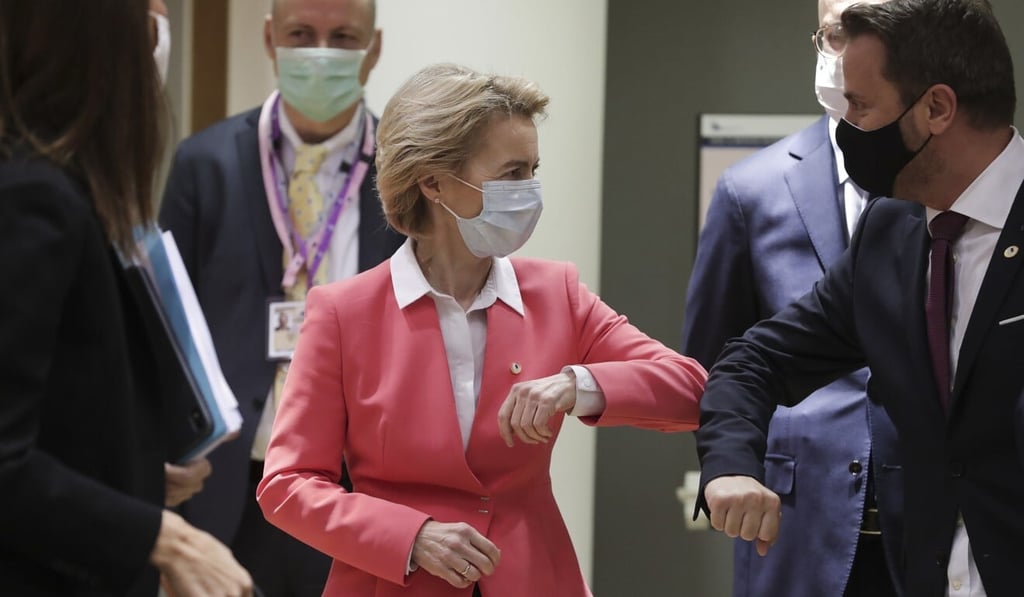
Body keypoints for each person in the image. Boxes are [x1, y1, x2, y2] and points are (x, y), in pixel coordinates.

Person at [256, 63, 707, 596]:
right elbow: (286, 486)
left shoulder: (557, 293)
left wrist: (576, 384)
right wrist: (410, 536)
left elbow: (690, 389)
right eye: (513, 173)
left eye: (534, 170)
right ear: (433, 181)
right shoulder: (341, 314)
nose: (531, 190)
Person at [695, 0, 1024, 595]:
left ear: (937, 108)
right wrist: (731, 464)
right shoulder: (891, 231)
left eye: (860, 106)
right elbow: (756, 359)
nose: (844, 128)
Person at [0, 1, 251, 596]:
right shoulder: (34, 199)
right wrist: (163, 538)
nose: (160, 32)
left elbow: (53, 418)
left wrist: (129, 474)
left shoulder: (68, 191)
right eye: (150, 10)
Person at [159, 0, 403, 593]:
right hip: (231, 484)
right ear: (271, 38)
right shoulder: (203, 164)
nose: (321, 50)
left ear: (373, 48)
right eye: (301, 33)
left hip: (362, 488)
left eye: (344, 35)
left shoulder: (408, 171)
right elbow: (165, 328)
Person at [681, 1, 902, 595]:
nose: (847, 46)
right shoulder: (749, 187)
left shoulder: (944, 190)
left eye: (869, 28)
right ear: (818, 39)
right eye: (836, 30)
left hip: (931, 512)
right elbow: (714, 359)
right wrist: (726, 465)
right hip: (795, 516)